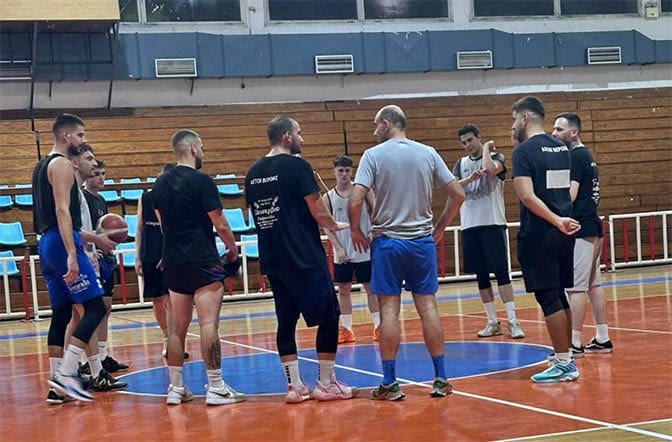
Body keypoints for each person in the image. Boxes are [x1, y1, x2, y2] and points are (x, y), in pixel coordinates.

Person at [349, 105, 465, 400]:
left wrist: (355, 231)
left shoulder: (373, 155)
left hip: (388, 243)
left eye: (376, 125)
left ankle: (390, 383)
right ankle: (441, 378)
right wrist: (439, 228)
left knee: (389, 310)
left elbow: (355, 199)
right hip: (421, 242)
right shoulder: (428, 153)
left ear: (387, 124)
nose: (374, 132)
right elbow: (458, 194)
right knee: (428, 308)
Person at [245, 115, 357, 404]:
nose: (302, 139)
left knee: (286, 321)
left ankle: (295, 387)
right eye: (299, 132)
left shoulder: (253, 172)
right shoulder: (297, 166)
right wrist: (336, 224)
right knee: (329, 316)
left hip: (273, 258)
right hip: (303, 256)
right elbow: (317, 210)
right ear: (287, 136)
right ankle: (326, 383)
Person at [152, 129, 245, 406]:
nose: (203, 151)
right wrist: (232, 249)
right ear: (192, 148)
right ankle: (215, 386)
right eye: (201, 146)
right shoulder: (202, 181)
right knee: (208, 323)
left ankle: (175, 388)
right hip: (202, 259)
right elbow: (221, 224)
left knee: (175, 329)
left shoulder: (159, 185)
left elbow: (163, 225)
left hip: (173, 261)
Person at [34, 114, 110, 403]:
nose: (82, 139)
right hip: (61, 240)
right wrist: (71, 254)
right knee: (95, 308)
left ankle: (57, 387)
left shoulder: (41, 165)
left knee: (62, 313)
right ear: (65, 135)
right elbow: (62, 211)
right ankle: (66, 373)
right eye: (80, 135)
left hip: (45, 243)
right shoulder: (63, 164)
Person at [510, 96, 582, 383]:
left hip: (541, 232)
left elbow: (527, 196)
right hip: (564, 231)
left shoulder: (523, 151)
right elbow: (561, 190)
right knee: (559, 293)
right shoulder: (562, 148)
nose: (514, 125)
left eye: (514, 119)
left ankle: (564, 363)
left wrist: (554, 220)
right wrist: (561, 221)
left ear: (524, 118)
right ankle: (566, 355)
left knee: (547, 296)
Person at [453, 125, 524, 339]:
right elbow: (453, 187)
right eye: (464, 142)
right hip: (470, 225)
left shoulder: (496, 157)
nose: (468, 145)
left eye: (470, 140)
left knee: (501, 273)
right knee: (481, 275)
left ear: (479, 138)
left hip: (492, 223)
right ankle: (492, 321)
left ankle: (513, 321)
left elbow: (491, 170)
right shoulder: (460, 164)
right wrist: (470, 179)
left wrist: (486, 148)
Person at [552, 112, 612, 355]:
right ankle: (602, 337)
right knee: (593, 284)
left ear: (574, 132)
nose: (554, 133)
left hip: (581, 227)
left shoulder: (576, 156)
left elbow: (571, 194)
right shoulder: (587, 155)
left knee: (576, 287)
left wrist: (552, 209)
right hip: (593, 225)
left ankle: (574, 342)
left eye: (559, 129)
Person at [323, 155, 380, 344]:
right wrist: (338, 248)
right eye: (340, 170)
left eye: (347, 170)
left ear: (352, 171)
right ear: (334, 172)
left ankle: (378, 326)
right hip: (343, 252)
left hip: (364, 249)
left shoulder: (363, 191)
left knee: (371, 288)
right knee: (344, 290)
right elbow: (327, 226)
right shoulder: (328, 197)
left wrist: (372, 233)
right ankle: (347, 329)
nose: (344, 174)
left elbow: (377, 211)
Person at [134, 163, 189, 360]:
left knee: (171, 299)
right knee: (157, 299)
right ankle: (166, 336)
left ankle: (175, 341)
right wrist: (137, 256)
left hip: (170, 254)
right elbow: (139, 228)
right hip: (150, 253)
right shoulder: (146, 197)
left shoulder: (176, 198)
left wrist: (168, 254)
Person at [83, 158, 130, 373]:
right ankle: (89, 361)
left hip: (106, 260)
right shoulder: (83, 199)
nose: (101, 178)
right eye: (96, 174)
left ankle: (102, 356)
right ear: (87, 176)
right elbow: (84, 231)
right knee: (93, 311)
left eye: (103, 174)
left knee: (106, 308)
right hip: (93, 260)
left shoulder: (101, 200)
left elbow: (105, 231)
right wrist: (94, 248)